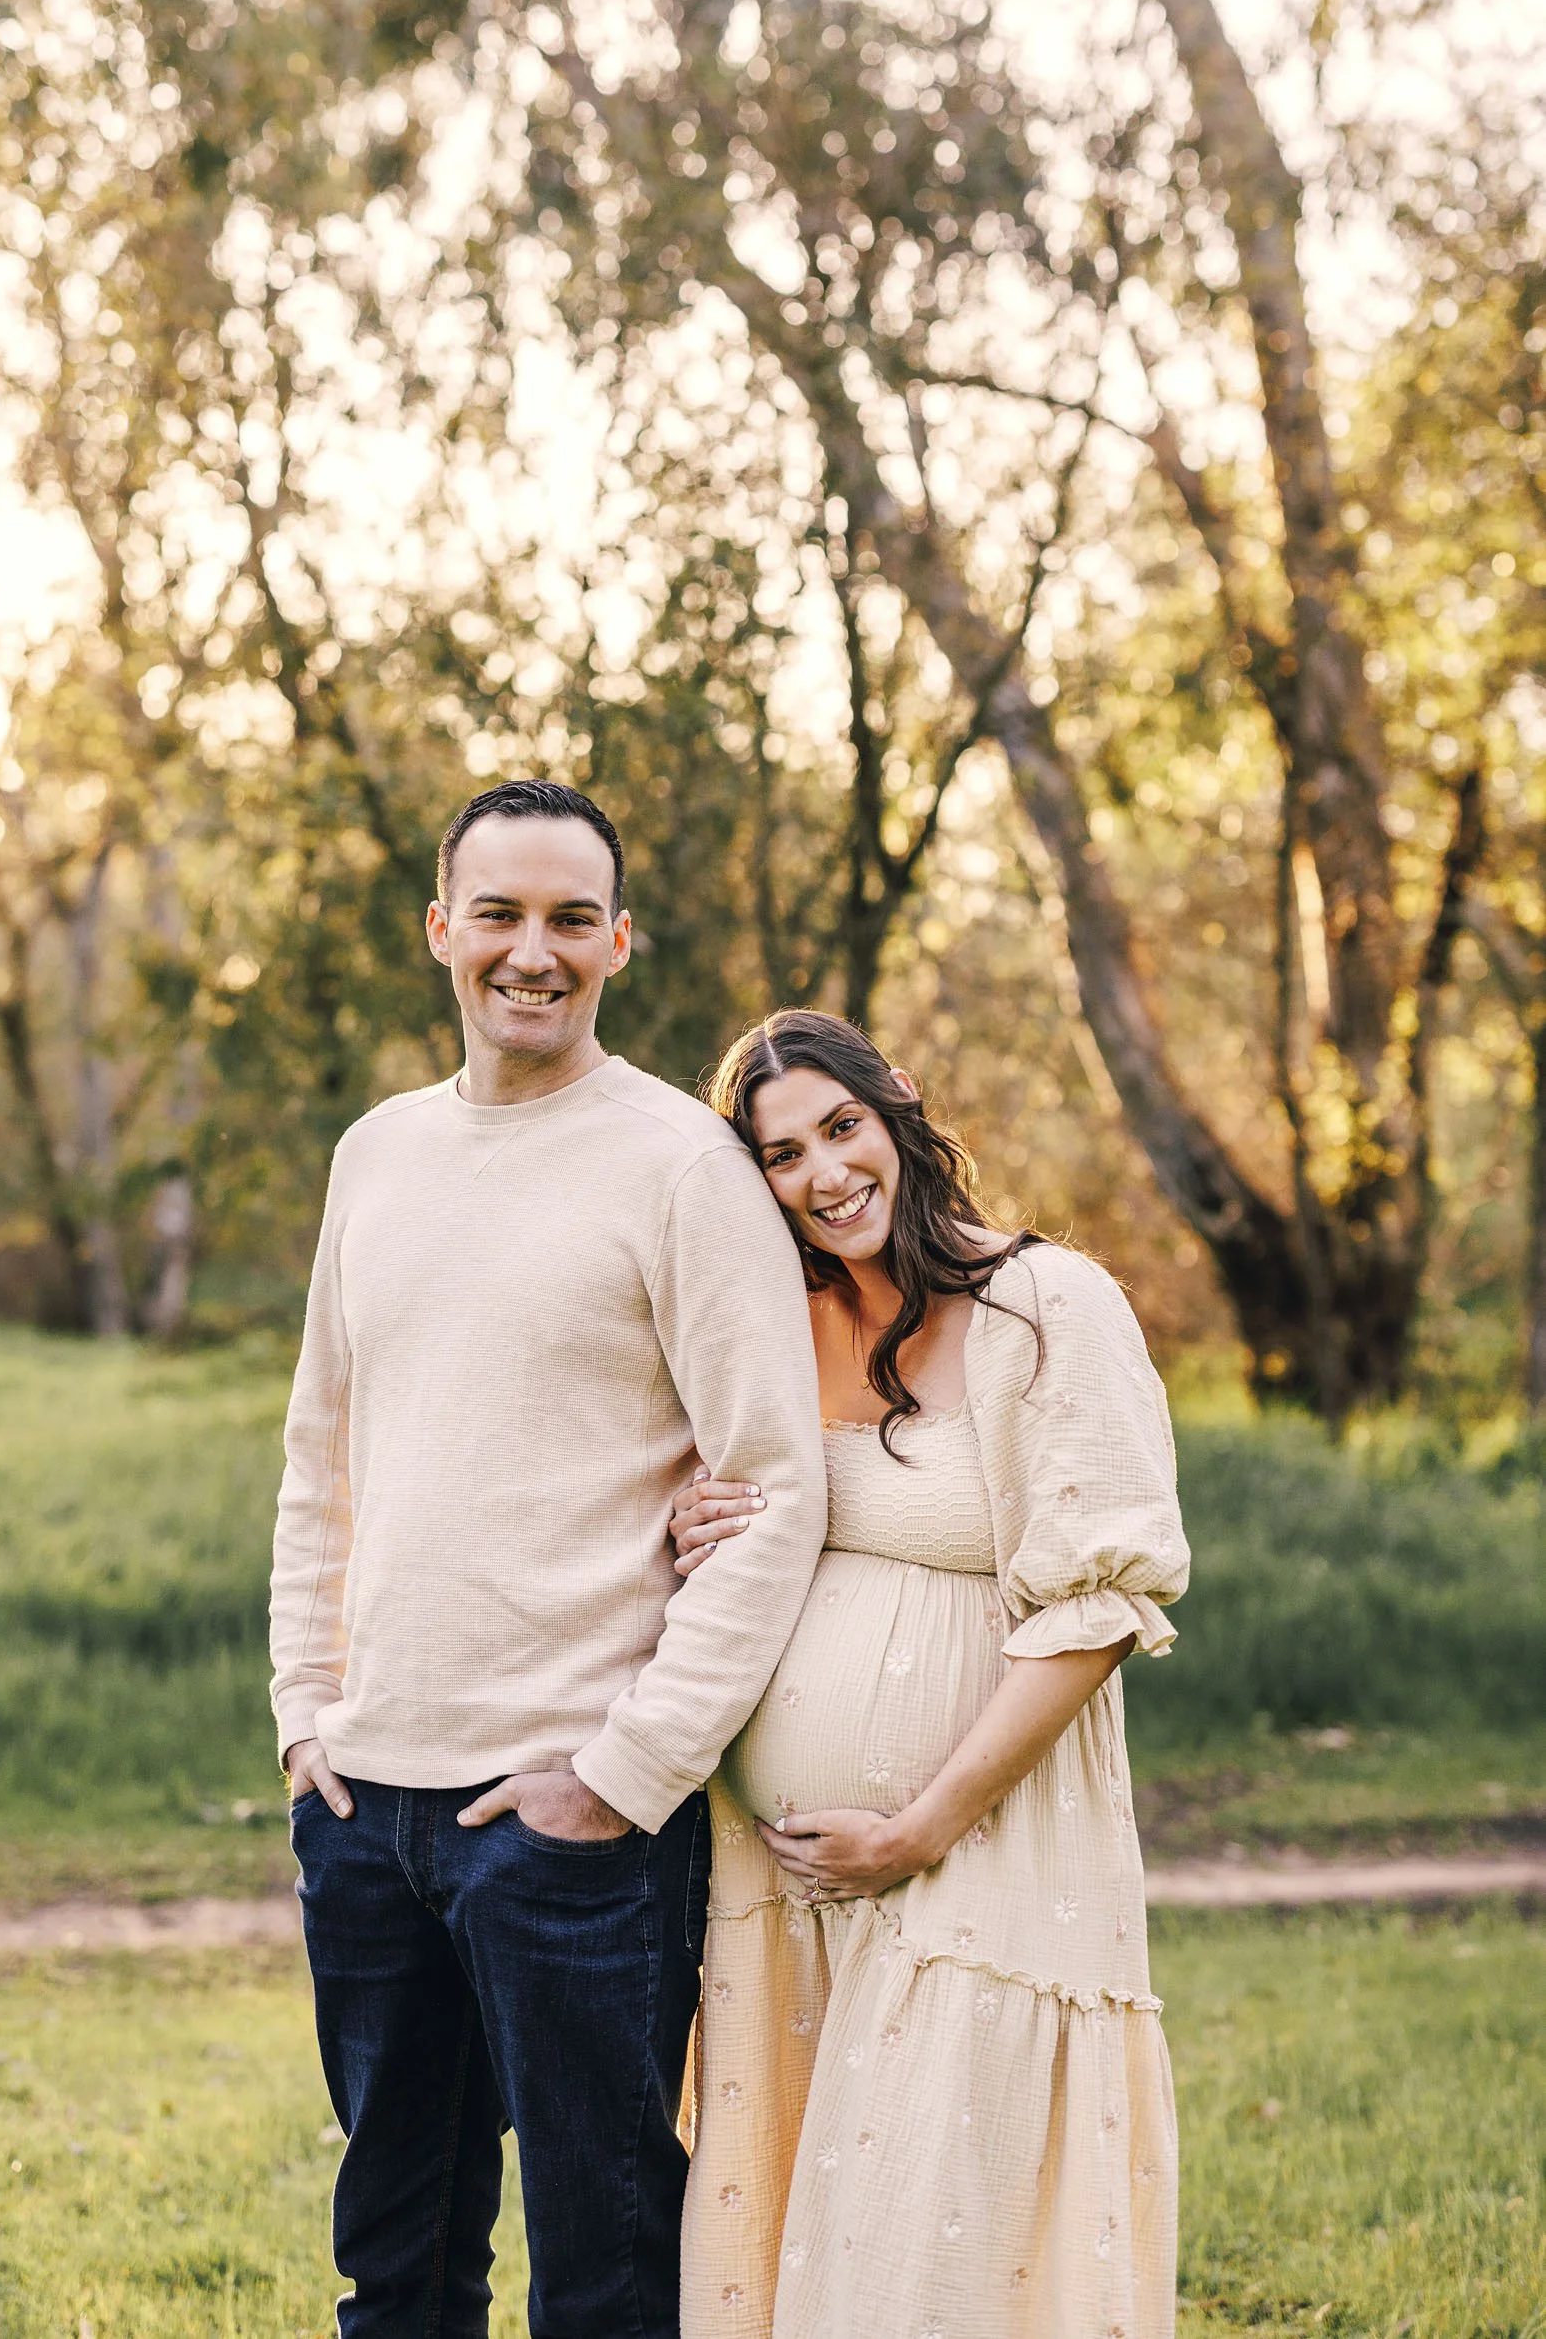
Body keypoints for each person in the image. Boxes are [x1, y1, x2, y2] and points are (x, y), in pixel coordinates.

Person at [269, 782, 827, 2339]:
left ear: (619, 943)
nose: (534, 951)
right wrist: (306, 1712)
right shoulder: (374, 1157)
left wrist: (629, 1768)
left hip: (572, 1829)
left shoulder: (676, 1165)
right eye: (499, 913)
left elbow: (772, 1489)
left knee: (607, 2277)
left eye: (571, 918)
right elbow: (324, 1457)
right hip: (363, 1811)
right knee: (393, 2267)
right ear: (440, 929)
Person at [671, 1009, 1190, 2339]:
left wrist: (916, 1827)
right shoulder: (775, 1330)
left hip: (975, 1851)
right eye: (781, 1157)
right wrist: (690, 1528)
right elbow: (724, 1518)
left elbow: (1096, 1605)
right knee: (800, 2228)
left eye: (838, 1128)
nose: (823, 1173)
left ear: (895, 1108)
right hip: (772, 1882)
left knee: (929, 2238)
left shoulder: (1045, 1302)